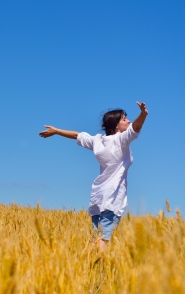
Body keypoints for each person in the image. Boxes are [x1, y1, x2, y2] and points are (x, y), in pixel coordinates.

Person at [39, 102, 148, 251]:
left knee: (94, 240)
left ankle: (89, 268)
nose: (128, 121)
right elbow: (136, 127)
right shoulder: (121, 140)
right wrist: (143, 114)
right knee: (104, 240)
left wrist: (57, 131)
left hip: (97, 197)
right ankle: (96, 266)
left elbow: (77, 135)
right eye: (124, 119)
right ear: (116, 125)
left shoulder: (98, 140)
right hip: (112, 198)